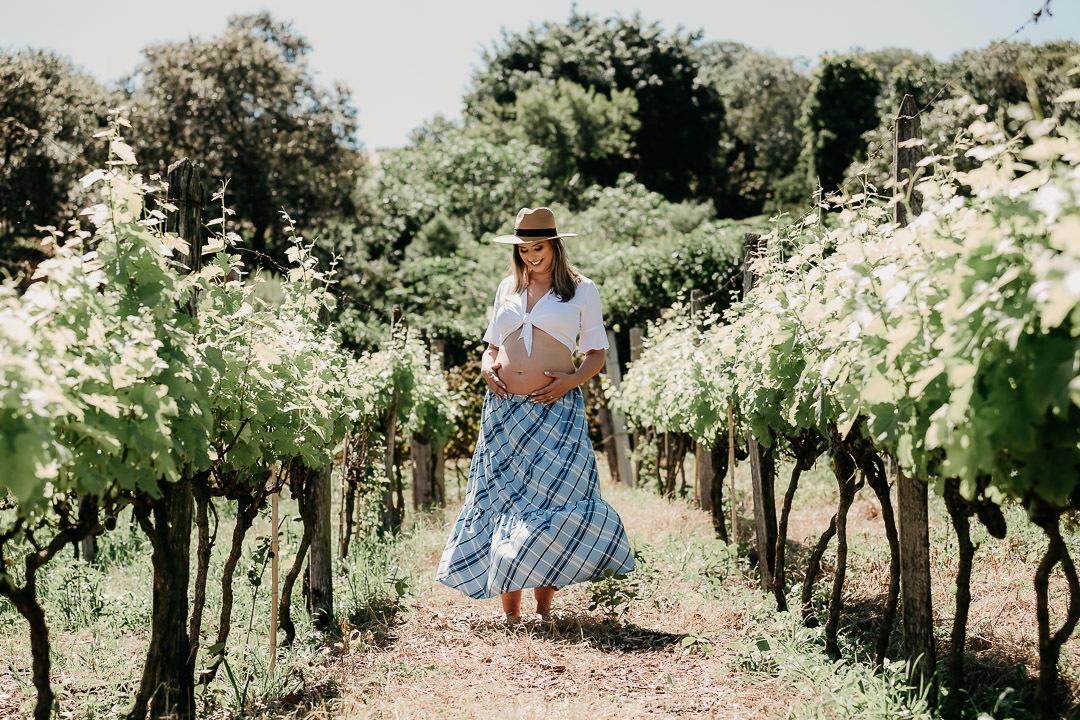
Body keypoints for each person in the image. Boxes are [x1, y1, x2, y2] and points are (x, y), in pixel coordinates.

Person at [435, 206, 635, 624]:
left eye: (538, 247)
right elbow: (492, 345)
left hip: (554, 409)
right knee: (504, 500)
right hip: (504, 412)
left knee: (551, 501)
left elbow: (596, 354)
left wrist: (570, 381)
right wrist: (487, 367)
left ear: (555, 246)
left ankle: (544, 610)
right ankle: (511, 615)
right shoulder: (507, 287)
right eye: (523, 249)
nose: (531, 256)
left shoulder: (582, 290)